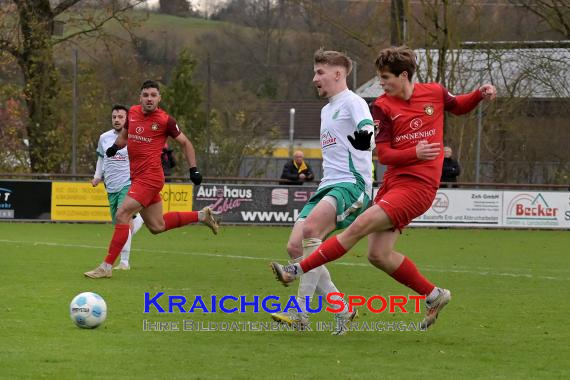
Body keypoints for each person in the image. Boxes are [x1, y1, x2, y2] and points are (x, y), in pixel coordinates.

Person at [271, 46, 497, 329]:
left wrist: (479, 94)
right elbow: (385, 155)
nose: (381, 84)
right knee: (378, 255)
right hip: (392, 184)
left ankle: (297, 269)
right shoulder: (383, 106)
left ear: (404, 75)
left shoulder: (434, 93)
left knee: (357, 227)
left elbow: (459, 105)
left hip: (418, 187)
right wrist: (415, 152)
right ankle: (434, 295)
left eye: (386, 78)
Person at [270, 49, 375, 335]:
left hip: (352, 184)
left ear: (338, 74)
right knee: (295, 247)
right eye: (315, 72)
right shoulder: (326, 110)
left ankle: (300, 313)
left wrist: (366, 137)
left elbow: (367, 126)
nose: (314, 78)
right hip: (327, 185)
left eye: (320, 72)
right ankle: (342, 309)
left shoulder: (354, 102)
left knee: (311, 231)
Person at [84, 80, 220, 279]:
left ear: (159, 98)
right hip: (138, 177)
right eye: (146, 95)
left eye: (153, 95)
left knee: (122, 214)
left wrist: (193, 169)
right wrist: (115, 147)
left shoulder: (165, 120)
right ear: (140, 97)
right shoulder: (133, 113)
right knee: (157, 226)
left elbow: (185, 143)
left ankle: (106, 266)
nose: (149, 98)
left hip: (150, 178)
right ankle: (201, 216)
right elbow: (124, 136)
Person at [91, 104, 144, 270]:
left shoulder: (134, 137)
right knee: (120, 226)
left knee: (123, 221)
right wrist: (97, 176)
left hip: (127, 183)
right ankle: (140, 220)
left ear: (127, 119)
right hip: (111, 186)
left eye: (121, 117)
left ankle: (124, 261)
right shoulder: (104, 138)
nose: (117, 120)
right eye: (114, 117)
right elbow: (101, 158)